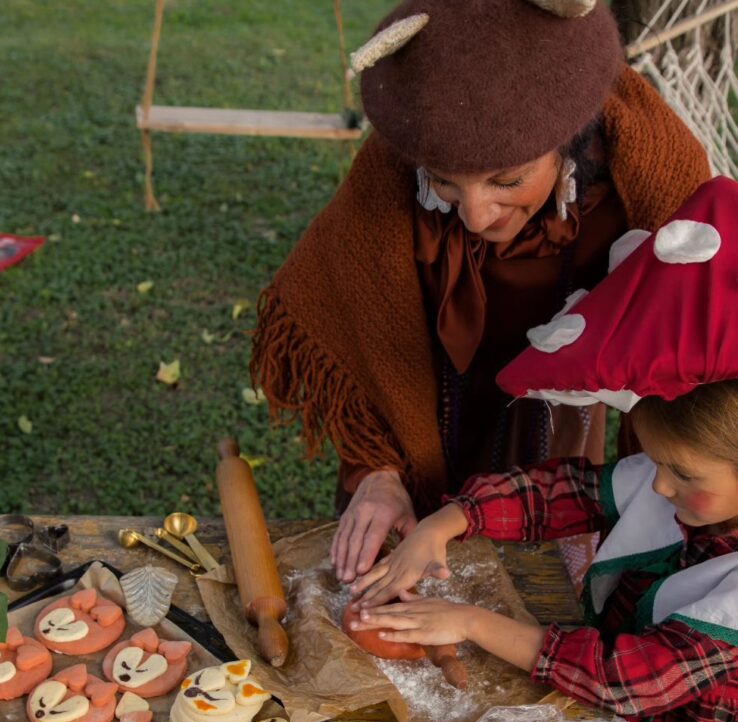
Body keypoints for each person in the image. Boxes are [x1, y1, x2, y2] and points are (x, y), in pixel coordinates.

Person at [348, 177, 738, 722]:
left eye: (684, 477)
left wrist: (472, 621)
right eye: (656, 462)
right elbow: (565, 489)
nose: (658, 485)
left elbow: (631, 675)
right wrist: (447, 521)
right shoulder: (676, 480)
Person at [250, 0, 711, 585]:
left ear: (569, 142)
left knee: (547, 575)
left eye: (507, 180)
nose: (473, 215)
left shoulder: (647, 182)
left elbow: (696, 351)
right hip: (429, 412)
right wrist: (378, 474)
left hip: (561, 426)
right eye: (445, 182)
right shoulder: (395, 170)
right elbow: (363, 336)